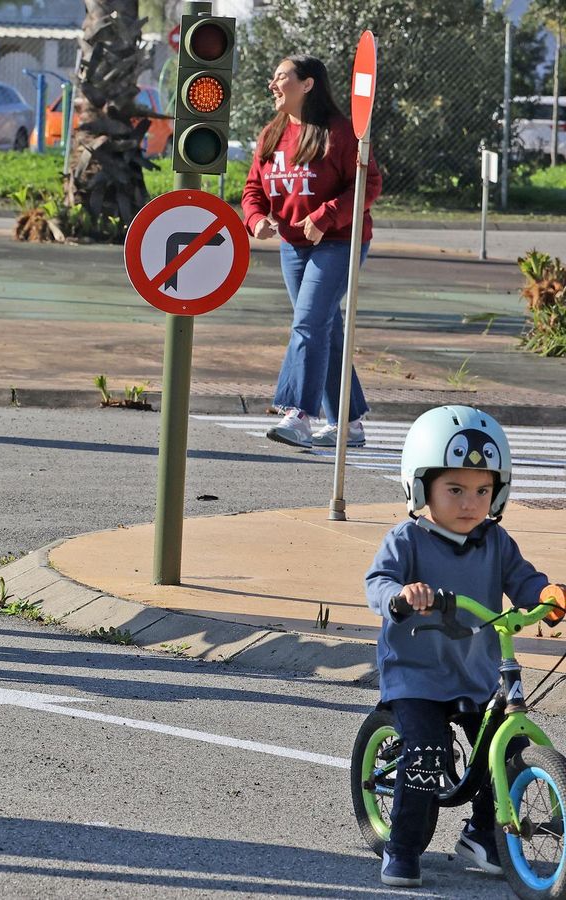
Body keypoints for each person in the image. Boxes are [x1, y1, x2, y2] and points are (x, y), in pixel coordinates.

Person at [365, 405, 565, 887]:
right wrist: (401, 596)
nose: (469, 503)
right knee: (428, 752)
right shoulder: (407, 539)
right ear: (421, 486)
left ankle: (481, 834)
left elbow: (523, 579)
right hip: (418, 675)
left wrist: (545, 595)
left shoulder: (495, 541)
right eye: (454, 489)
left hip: (478, 673)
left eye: (482, 490)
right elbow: (379, 582)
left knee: (511, 746)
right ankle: (404, 846)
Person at [242, 55, 381, 450]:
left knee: (307, 323)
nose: (273, 84)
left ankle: (298, 415)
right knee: (326, 330)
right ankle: (349, 424)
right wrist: (255, 221)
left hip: (339, 242)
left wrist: (327, 215)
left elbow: (368, 184)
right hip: (292, 246)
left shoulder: (340, 132)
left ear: (307, 85)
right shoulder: (272, 134)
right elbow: (252, 189)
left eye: (281, 77)